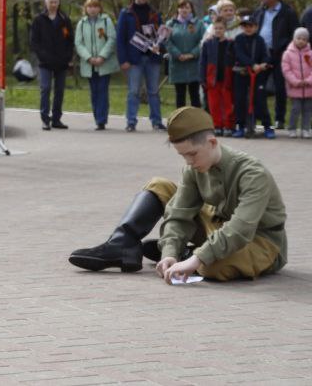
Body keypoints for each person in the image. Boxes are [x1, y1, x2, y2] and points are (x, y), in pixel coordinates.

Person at [67, 106, 287, 281]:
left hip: (260, 241)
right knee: (160, 185)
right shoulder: (194, 167)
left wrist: (198, 259)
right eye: (183, 157)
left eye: (192, 154)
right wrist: (169, 253)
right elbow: (178, 213)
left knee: (212, 266)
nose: (189, 162)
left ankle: (192, 254)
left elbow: (241, 229)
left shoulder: (252, 173)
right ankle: (122, 246)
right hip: (217, 226)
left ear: (212, 142)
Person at [116, 0, 165, 131]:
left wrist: (160, 46)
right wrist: (123, 60)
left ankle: (156, 121)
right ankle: (131, 122)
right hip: (134, 59)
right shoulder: (126, 13)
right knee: (133, 91)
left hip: (152, 58)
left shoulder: (155, 13)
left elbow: (162, 34)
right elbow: (120, 38)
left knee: (154, 91)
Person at [254, 0, 298, 133]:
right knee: (258, 86)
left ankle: (279, 119)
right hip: (262, 55)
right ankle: (258, 117)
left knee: (280, 87)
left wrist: (285, 47)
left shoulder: (287, 12)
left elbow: (294, 33)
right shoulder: (260, 11)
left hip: (280, 54)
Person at [29, 0, 74, 131]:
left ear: (59, 2)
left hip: (61, 62)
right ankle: (45, 119)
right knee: (46, 88)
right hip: (45, 62)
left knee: (59, 90)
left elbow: (70, 40)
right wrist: (43, 56)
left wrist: (68, 57)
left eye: (56, 2)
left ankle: (56, 119)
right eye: (51, 2)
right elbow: (34, 42)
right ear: (46, 3)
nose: (53, 5)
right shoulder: (38, 20)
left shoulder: (64, 19)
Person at [73, 0, 118, 130]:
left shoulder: (106, 21)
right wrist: (89, 58)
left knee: (102, 91)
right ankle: (97, 117)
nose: (92, 9)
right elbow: (78, 43)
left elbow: (111, 39)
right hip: (89, 64)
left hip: (104, 63)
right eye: (90, 7)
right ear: (86, 9)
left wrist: (101, 57)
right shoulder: (82, 23)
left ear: (99, 8)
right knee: (94, 92)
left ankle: (101, 120)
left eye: (95, 6)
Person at [231, 12, 274, 139]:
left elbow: (266, 55)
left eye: (250, 26)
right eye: (245, 26)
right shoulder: (238, 39)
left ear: (256, 27)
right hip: (242, 73)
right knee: (240, 100)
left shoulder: (260, 40)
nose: (248, 28)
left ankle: (267, 126)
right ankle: (240, 126)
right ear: (242, 27)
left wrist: (264, 64)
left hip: (257, 75)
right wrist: (252, 64)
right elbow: (239, 54)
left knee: (260, 100)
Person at [165, 0, 205, 109]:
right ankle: (180, 122)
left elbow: (203, 41)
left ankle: (197, 123)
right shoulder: (170, 24)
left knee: (195, 95)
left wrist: (192, 54)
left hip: (194, 64)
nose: (184, 10)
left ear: (191, 9)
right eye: (182, 7)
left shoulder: (199, 24)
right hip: (177, 64)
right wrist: (178, 54)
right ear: (178, 9)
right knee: (180, 95)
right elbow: (166, 41)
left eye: (187, 7)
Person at [199, 17, 234, 135]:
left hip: (227, 79)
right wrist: (202, 78)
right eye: (216, 28)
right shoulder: (207, 44)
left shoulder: (231, 43)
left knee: (227, 104)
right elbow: (202, 62)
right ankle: (217, 125)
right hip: (211, 79)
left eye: (221, 28)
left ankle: (228, 126)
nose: (218, 30)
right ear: (213, 29)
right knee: (214, 105)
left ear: (225, 29)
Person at [280, 27, 312, 138]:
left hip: (309, 88)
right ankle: (292, 128)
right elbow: (286, 70)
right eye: (299, 38)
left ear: (307, 41)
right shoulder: (287, 54)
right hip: (295, 87)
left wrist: (308, 81)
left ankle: (306, 129)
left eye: (304, 39)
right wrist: (296, 81)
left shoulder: (310, 54)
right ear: (294, 39)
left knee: (308, 110)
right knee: (295, 109)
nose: (301, 41)